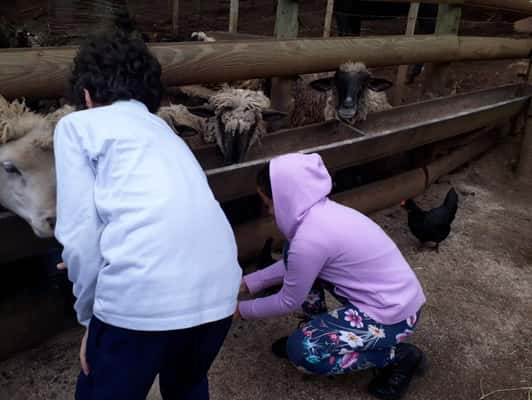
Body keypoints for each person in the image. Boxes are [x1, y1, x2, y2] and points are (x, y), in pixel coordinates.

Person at [54, 31, 241, 400]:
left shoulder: (76, 126)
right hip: (218, 295)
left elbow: (79, 239)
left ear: (87, 95)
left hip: (140, 298)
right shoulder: (165, 131)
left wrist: (92, 318)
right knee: (187, 386)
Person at [237, 153, 426, 400]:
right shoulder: (321, 215)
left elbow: (287, 300)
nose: (269, 211)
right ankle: (314, 329)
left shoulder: (309, 238)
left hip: (394, 316)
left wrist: (240, 311)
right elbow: (296, 267)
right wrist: (249, 283)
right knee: (289, 252)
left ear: (286, 198)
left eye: (269, 203)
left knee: (303, 353)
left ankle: (397, 358)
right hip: (390, 301)